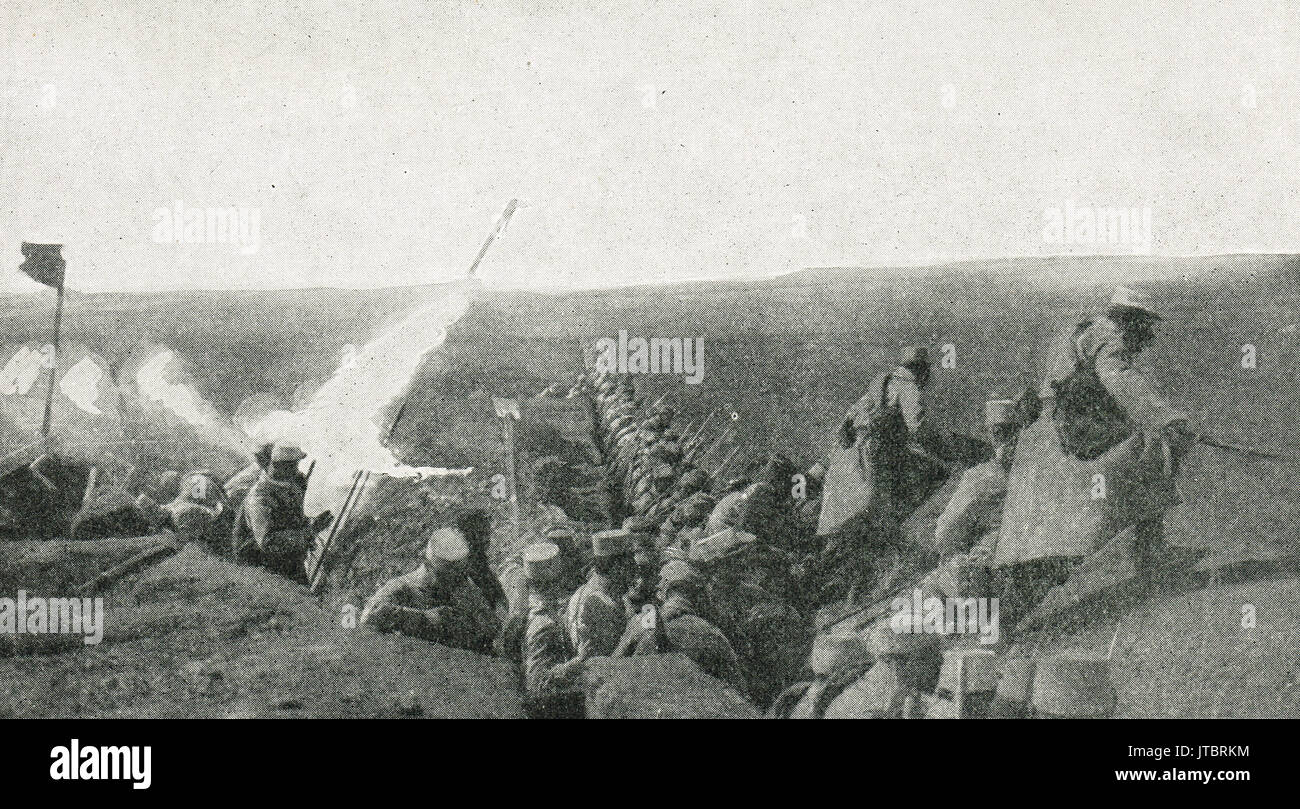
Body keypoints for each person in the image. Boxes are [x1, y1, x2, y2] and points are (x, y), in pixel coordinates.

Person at [993, 286, 1195, 621]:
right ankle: (1150, 553)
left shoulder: (1086, 328)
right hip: (1079, 430)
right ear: (1130, 318)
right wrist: (1166, 419)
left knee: (1144, 463)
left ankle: (1149, 550)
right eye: (1144, 323)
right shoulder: (1109, 338)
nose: (1148, 333)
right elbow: (1120, 379)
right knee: (1152, 455)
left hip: (1063, 425)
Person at [359, 527, 500, 654]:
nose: (454, 583)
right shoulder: (401, 587)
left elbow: (493, 628)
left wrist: (457, 623)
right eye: (446, 577)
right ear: (427, 566)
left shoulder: (463, 587)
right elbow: (370, 616)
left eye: (459, 576)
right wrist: (427, 619)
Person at [618, 560, 748, 696]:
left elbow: (615, 665)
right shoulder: (712, 634)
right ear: (696, 594)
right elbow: (739, 691)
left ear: (662, 592)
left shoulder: (643, 621)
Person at [233, 443, 332, 582]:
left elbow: (289, 518)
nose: (297, 471)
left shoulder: (288, 485)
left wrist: (309, 524)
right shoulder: (260, 499)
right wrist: (309, 532)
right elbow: (269, 542)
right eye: (293, 466)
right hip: (261, 569)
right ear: (280, 467)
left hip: (285, 560)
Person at [520, 542, 586, 718]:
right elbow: (536, 683)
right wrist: (576, 663)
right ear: (559, 579)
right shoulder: (542, 624)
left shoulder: (541, 612)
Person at [565, 528, 637, 659]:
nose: (634, 570)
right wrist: (632, 632)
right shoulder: (598, 604)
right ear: (617, 566)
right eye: (630, 562)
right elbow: (603, 665)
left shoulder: (588, 591)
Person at [455, 508, 507, 612]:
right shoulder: (466, 565)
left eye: (487, 533)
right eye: (482, 533)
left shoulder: (479, 558)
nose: (487, 539)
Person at [223, 441, 274, 507]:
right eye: (258, 457)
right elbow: (230, 487)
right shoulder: (254, 471)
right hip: (233, 502)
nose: (258, 459)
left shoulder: (260, 469)